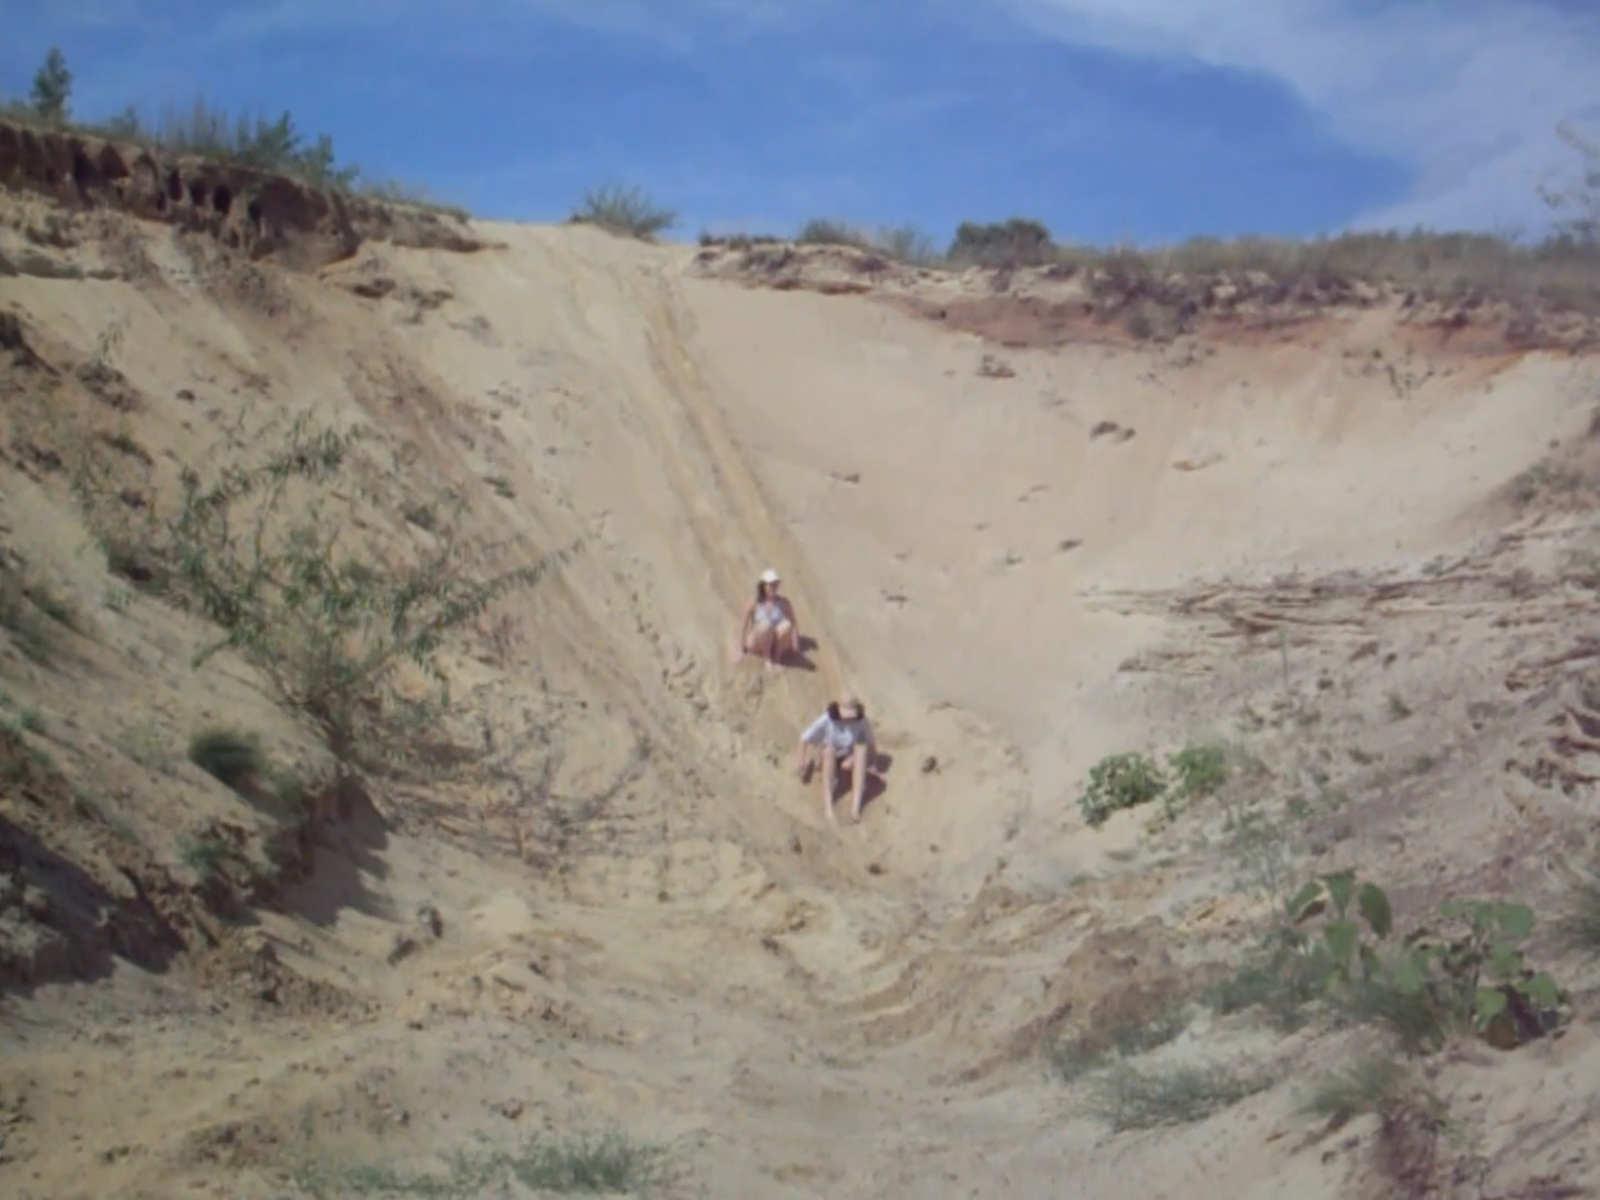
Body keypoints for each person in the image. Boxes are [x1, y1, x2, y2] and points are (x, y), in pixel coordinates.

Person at [795, 690, 879, 824]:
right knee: (829, 749)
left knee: (861, 749)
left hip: (847, 758)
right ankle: (828, 806)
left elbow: (871, 743)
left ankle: (855, 808)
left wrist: (873, 763)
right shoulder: (827, 719)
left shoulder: (862, 721)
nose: (848, 719)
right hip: (827, 756)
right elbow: (804, 738)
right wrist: (801, 761)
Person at [737, 568, 799, 670]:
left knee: (786, 625)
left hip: (774, 642)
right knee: (766, 626)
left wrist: (795, 645)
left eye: (776, 584)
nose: (774, 587)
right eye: (771, 584)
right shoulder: (755, 603)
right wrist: (741, 650)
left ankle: (777, 659)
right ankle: (767, 659)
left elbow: (793, 623)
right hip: (758, 641)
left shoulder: (783, 602)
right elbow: (743, 626)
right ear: (763, 586)